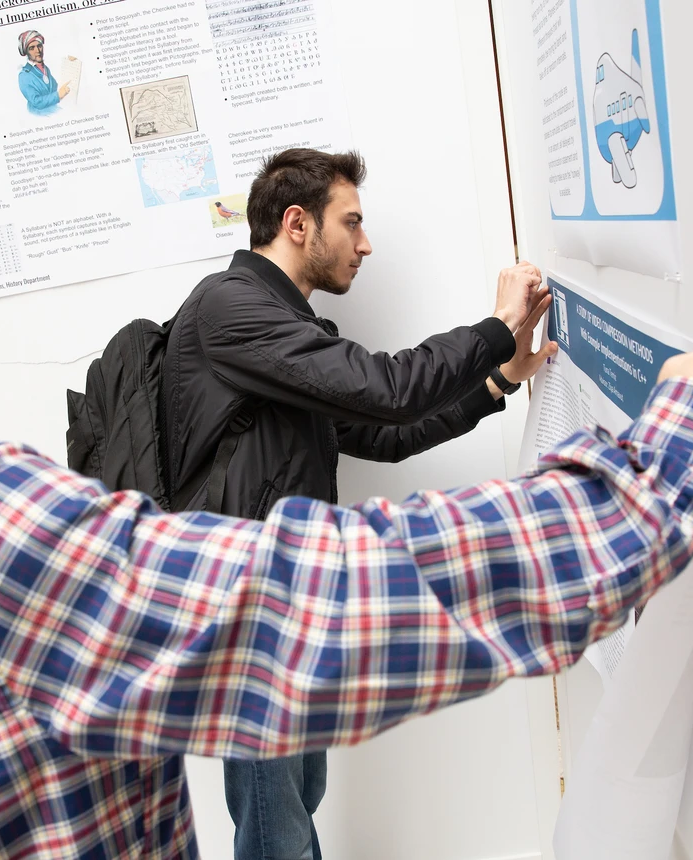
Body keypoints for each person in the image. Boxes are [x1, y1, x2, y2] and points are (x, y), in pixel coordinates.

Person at [0, 92, 693, 860]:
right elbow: (340, 559)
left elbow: (373, 434)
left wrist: (496, 384)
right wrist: (659, 458)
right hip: (223, 608)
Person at [162, 148, 558, 860]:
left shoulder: (283, 329)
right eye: (352, 222)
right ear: (297, 224)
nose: (365, 243)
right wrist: (497, 324)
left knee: (292, 799)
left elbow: (382, 431)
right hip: (248, 603)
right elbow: (386, 388)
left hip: (287, 594)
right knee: (274, 822)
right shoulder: (232, 308)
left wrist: (495, 382)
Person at [17, 29, 69, 114]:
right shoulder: (24, 75)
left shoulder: (45, 69)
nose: (37, 50)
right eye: (32, 48)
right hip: (39, 117)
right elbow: (36, 102)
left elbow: (55, 88)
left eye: (39, 46)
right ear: (26, 52)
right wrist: (58, 95)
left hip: (55, 112)